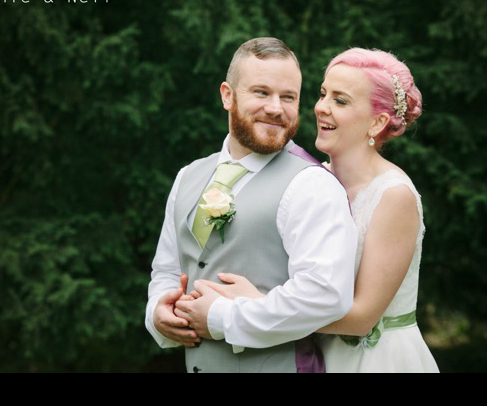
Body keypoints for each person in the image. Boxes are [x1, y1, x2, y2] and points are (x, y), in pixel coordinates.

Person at [196, 48, 440, 373]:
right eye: (323, 94)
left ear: (377, 121)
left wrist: (253, 305)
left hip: (375, 360)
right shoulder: (311, 182)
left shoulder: (393, 196)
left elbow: (362, 319)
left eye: (340, 101)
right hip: (312, 358)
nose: (322, 108)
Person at [145, 37, 358, 373]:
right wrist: (158, 312)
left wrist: (220, 318)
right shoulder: (188, 176)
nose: (276, 108)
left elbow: (326, 295)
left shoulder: (312, 185)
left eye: (288, 97)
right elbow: (168, 271)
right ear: (227, 96)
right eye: (261, 92)